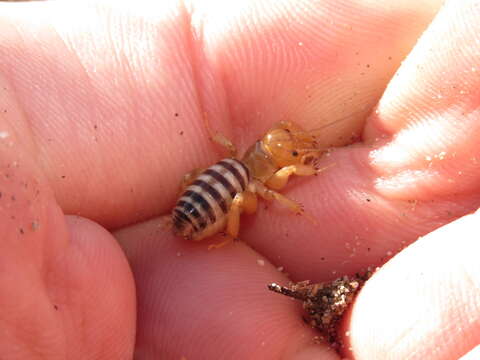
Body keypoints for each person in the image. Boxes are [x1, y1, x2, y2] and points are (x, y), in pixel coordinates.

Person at [0, 0, 478, 359]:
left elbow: (210, 172)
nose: (294, 151)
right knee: (239, 200)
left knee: (234, 194)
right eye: (288, 148)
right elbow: (276, 184)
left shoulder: (239, 155)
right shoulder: (264, 174)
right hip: (212, 204)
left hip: (212, 187)